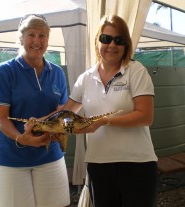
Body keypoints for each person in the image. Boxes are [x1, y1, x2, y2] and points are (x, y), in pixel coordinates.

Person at [61, 14, 158, 207]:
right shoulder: (85, 78)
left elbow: (145, 116)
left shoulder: (136, 71)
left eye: (118, 40)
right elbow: (66, 112)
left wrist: (104, 121)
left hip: (137, 165)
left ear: (126, 45)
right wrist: (43, 124)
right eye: (105, 38)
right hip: (99, 165)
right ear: (97, 41)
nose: (111, 45)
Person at [0, 14, 70, 207]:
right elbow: (2, 119)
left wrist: (60, 129)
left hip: (50, 155)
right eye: (31, 34)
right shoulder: (4, 72)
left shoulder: (57, 72)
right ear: (21, 38)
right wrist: (21, 138)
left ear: (48, 40)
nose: (37, 41)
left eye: (42, 35)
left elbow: (61, 112)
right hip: (12, 157)